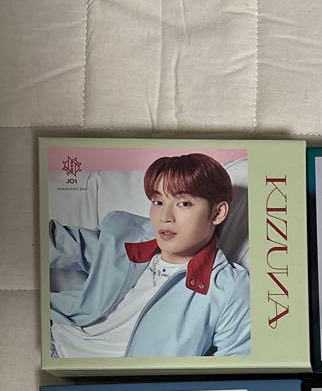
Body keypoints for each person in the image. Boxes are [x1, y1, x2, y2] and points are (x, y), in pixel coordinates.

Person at [49, 152, 250, 358]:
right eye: (158, 202)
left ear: (217, 213)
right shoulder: (126, 234)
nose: (165, 217)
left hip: (92, 375)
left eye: (183, 203)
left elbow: (235, 363)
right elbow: (58, 243)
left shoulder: (228, 287)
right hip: (52, 338)